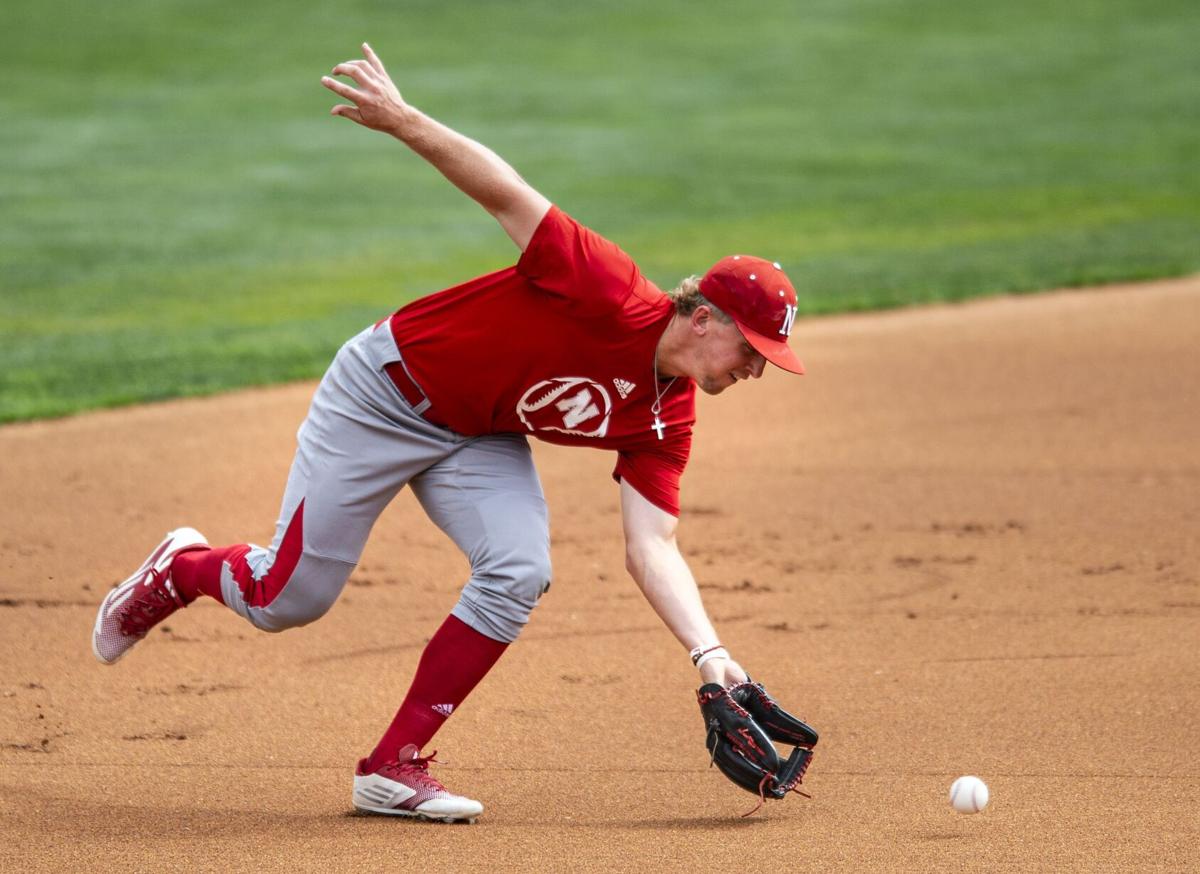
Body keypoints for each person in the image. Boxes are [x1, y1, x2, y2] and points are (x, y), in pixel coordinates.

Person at [91, 43, 806, 823]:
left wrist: (711, 659)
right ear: (704, 318)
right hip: (382, 395)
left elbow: (652, 546)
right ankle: (181, 569)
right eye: (752, 350)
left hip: (476, 433)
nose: (756, 371)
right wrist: (403, 121)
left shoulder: (668, 418)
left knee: (518, 570)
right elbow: (506, 193)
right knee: (286, 599)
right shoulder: (607, 287)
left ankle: (391, 766)